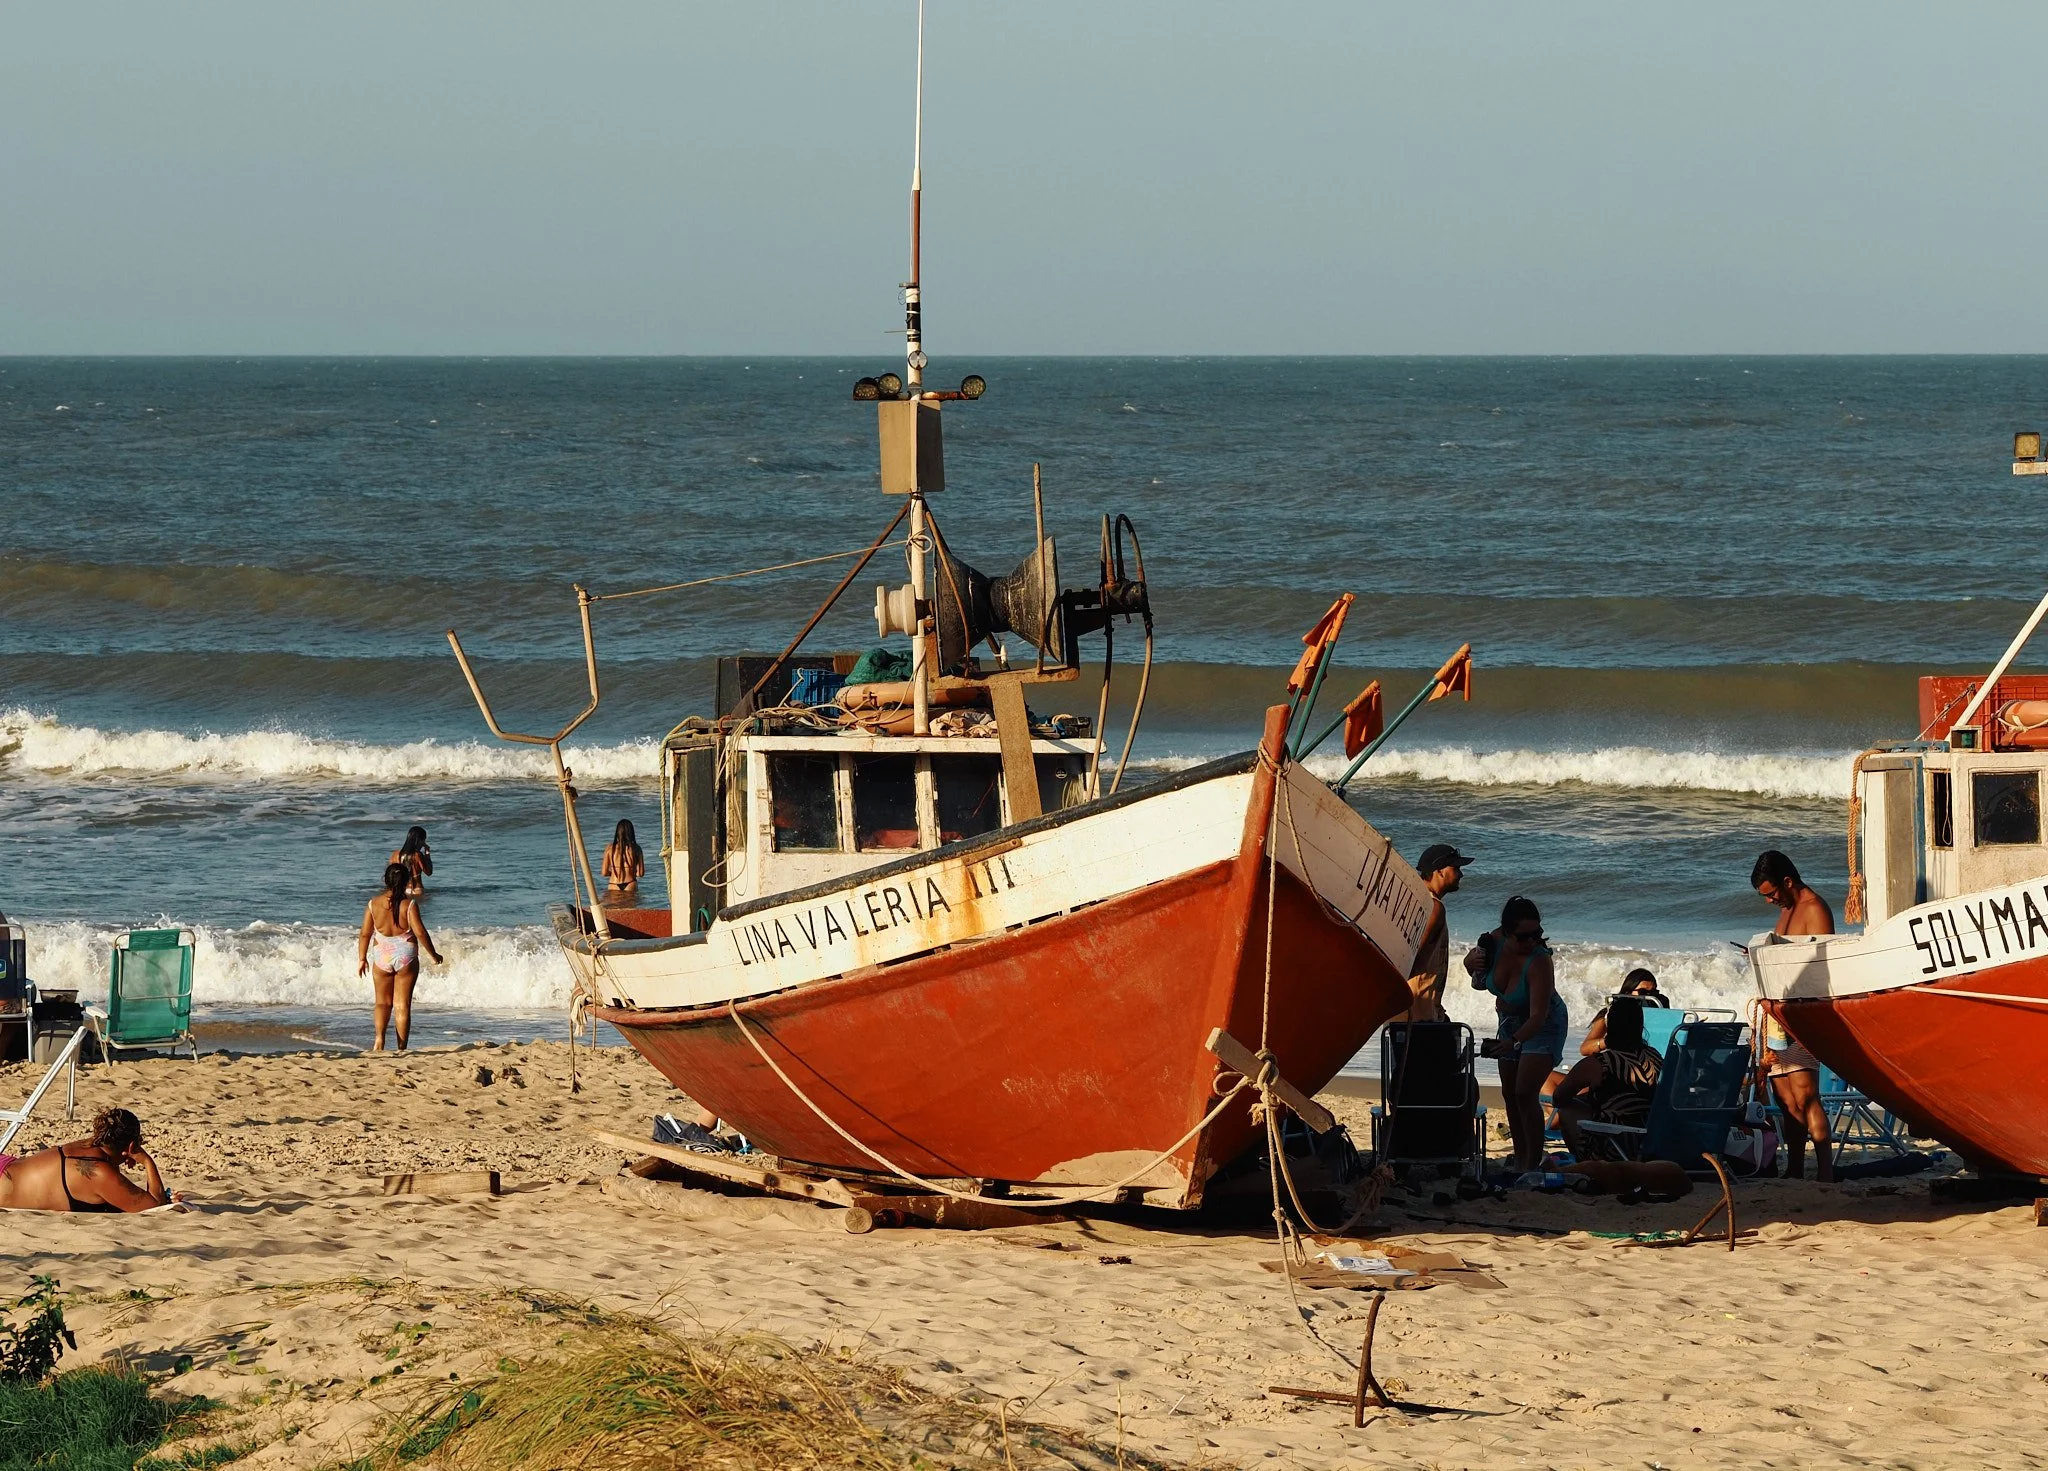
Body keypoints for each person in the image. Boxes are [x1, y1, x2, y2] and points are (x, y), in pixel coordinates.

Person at [1465, 895, 1567, 1173]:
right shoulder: (1491, 943)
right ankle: (1522, 1158)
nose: (1531, 941)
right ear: (1506, 933)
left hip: (1544, 1024)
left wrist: (1514, 1042)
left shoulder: (1540, 961)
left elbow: (1538, 1016)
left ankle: (1531, 1163)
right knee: (1509, 1092)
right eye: (1524, 936)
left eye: (1537, 934)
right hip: (1508, 1020)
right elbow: (1475, 978)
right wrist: (1469, 962)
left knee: (1525, 1092)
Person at [1752, 850, 1835, 1182]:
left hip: (1802, 1016)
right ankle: (1796, 1169)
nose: (1771, 900)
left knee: (1806, 1095)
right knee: (1786, 1100)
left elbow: (1823, 965)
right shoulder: (1787, 910)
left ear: (1788, 881)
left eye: (1772, 893)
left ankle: (1826, 1172)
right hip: (1780, 1015)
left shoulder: (1814, 909)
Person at [0, 1107, 182, 1212]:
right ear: (132, 1145)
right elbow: (154, 1208)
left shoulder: (87, 1146)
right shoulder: (98, 1171)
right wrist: (147, 1162)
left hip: (7, 1166)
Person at [1551, 994, 1663, 1157]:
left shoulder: (1601, 1062)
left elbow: (1558, 1098)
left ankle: (1586, 1163)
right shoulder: (1654, 1056)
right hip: (1651, 1141)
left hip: (1615, 1144)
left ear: (1609, 1027)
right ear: (1640, 1026)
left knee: (1567, 1109)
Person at [357, 861, 443, 1052]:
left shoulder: (373, 904)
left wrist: (362, 958)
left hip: (381, 954)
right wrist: (433, 954)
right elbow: (420, 932)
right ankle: (401, 1048)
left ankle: (379, 1040)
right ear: (406, 882)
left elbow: (365, 933)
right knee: (402, 1005)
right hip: (405, 954)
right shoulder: (409, 904)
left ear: (385, 880)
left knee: (382, 1002)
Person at [1397, 844, 1470, 1024]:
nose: (1461, 874)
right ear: (1439, 871)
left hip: (1404, 1007)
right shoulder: (1434, 907)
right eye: (1456, 868)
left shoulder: (1412, 898)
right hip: (1419, 1011)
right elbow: (1412, 955)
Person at [1578, 967, 1668, 1057]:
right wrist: (1609, 1041)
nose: (1649, 996)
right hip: (1620, 1064)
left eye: (1653, 992)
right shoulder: (1611, 1013)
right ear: (1628, 992)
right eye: (1642, 992)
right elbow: (1585, 1049)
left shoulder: (1659, 1012)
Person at [602, 819, 646, 901]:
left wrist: (615, 872)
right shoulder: (636, 848)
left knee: (615, 910)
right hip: (630, 883)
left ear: (618, 833)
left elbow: (604, 873)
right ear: (631, 832)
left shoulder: (609, 848)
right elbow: (640, 873)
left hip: (613, 884)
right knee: (630, 909)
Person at [390, 826, 433, 897]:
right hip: (416, 889)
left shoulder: (396, 854)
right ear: (419, 840)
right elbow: (429, 872)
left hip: (401, 889)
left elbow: (390, 874)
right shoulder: (417, 855)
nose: (424, 843)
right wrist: (427, 853)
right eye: (424, 840)